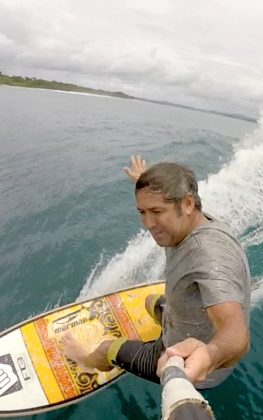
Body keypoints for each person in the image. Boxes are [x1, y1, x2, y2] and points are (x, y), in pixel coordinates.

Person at [61, 156, 251, 388]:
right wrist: (144, 179)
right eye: (142, 212)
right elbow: (165, 199)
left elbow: (236, 333)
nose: (148, 223)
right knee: (150, 301)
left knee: (106, 349)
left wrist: (208, 357)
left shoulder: (209, 257)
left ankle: (87, 359)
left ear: (188, 204)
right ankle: (165, 322)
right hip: (186, 321)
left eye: (156, 211)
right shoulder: (192, 218)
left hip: (181, 362)